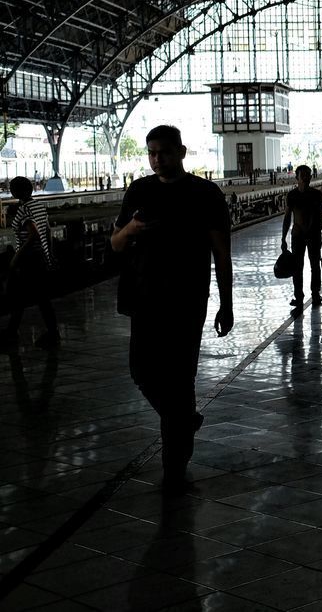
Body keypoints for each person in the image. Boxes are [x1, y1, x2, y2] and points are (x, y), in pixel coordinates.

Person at [111, 125, 232, 494]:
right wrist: (130, 227)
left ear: (182, 151)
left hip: (187, 300)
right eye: (151, 153)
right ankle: (183, 421)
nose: (157, 159)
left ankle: (174, 466)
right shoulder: (140, 191)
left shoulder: (205, 194)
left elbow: (221, 253)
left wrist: (227, 303)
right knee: (141, 373)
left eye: (164, 152)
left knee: (180, 380)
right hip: (144, 298)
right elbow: (115, 244)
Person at [2, 176, 60, 349]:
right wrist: (49, 254)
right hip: (40, 256)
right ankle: (13, 332)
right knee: (28, 296)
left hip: (29, 259)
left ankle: (51, 333)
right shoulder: (39, 206)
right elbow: (47, 231)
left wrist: (16, 257)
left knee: (24, 296)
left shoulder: (24, 209)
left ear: (16, 192)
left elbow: (33, 233)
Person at [281, 165, 322, 312]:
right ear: (297, 177)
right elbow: (287, 218)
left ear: (311, 177)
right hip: (297, 236)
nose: (305, 177)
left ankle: (315, 294)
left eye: (307, 175)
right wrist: (283, 238)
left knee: (315, 266)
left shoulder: (317, 195)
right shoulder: (291, 196)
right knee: (297, 268)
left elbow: (321, 217)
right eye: (302, 175)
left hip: (314, 235)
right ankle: (298, 296)